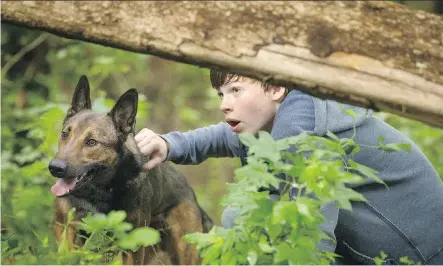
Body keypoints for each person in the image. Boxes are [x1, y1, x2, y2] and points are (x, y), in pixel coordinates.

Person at [134, 70, 443, 264]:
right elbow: (225, 136)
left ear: (276, 88)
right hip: (375, 247)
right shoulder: (288, 119)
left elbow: (312, 234)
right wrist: (170, 144)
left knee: (251, 220)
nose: (224, 104)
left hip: (416, 255)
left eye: (236, 90)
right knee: (248, 217)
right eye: (221, 94)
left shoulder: (310, 139)